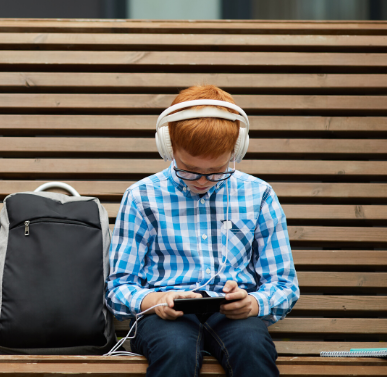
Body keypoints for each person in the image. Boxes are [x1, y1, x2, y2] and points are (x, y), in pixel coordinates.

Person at [106, 85, 299, 377]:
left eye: (217, 171)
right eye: (188, 169)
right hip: (165, 318)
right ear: (167, 146)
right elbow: (118, 287)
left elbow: (284, 285)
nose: (201, 181)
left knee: (252, 346)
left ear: (237, 151)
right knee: (175, 349)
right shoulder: (142, 197)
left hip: (235, 317)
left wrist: (252, 303)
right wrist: (155, 301)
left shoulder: (258, 195)